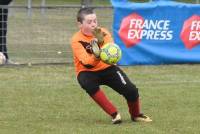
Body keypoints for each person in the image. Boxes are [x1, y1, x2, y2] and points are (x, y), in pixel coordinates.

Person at [70, 7, 152, 124]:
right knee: (87, 83)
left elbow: (111, 52)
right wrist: (97, 55)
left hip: (107, 68)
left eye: (95, 21)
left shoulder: (103, 32)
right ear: (80, 24)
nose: (93, 24)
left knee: (131, 90)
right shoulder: (76, 40)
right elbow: (87, 63)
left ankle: (136, 115)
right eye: (89, 22)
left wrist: (100, 42)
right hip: (87, 71)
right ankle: (114, 114)